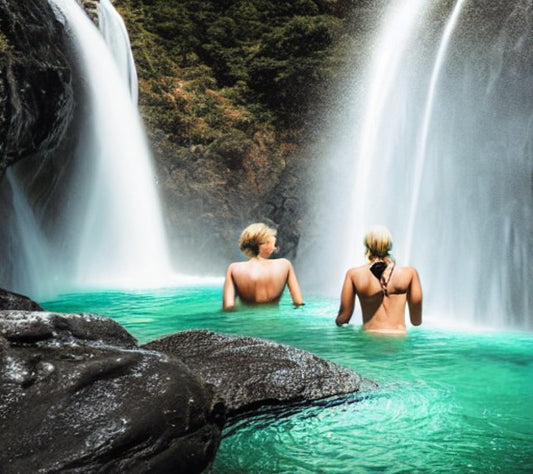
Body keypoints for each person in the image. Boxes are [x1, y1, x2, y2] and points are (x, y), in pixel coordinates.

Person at [335, 225, 422, 334]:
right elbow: (416, 321)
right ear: (389, 245)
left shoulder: (354, 274)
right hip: (398, 342)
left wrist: (336, 321)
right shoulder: (410, 274)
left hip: (369, 339)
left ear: (367, 245)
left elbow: (343, 318)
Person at [223, 223, 305, 311]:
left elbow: (228, 307)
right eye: (273, 244)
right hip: (274, 322)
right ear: (265, 245)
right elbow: (298, 302)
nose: (274, 248)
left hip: (246, 322)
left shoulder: (234, 269)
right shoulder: (285, 265)